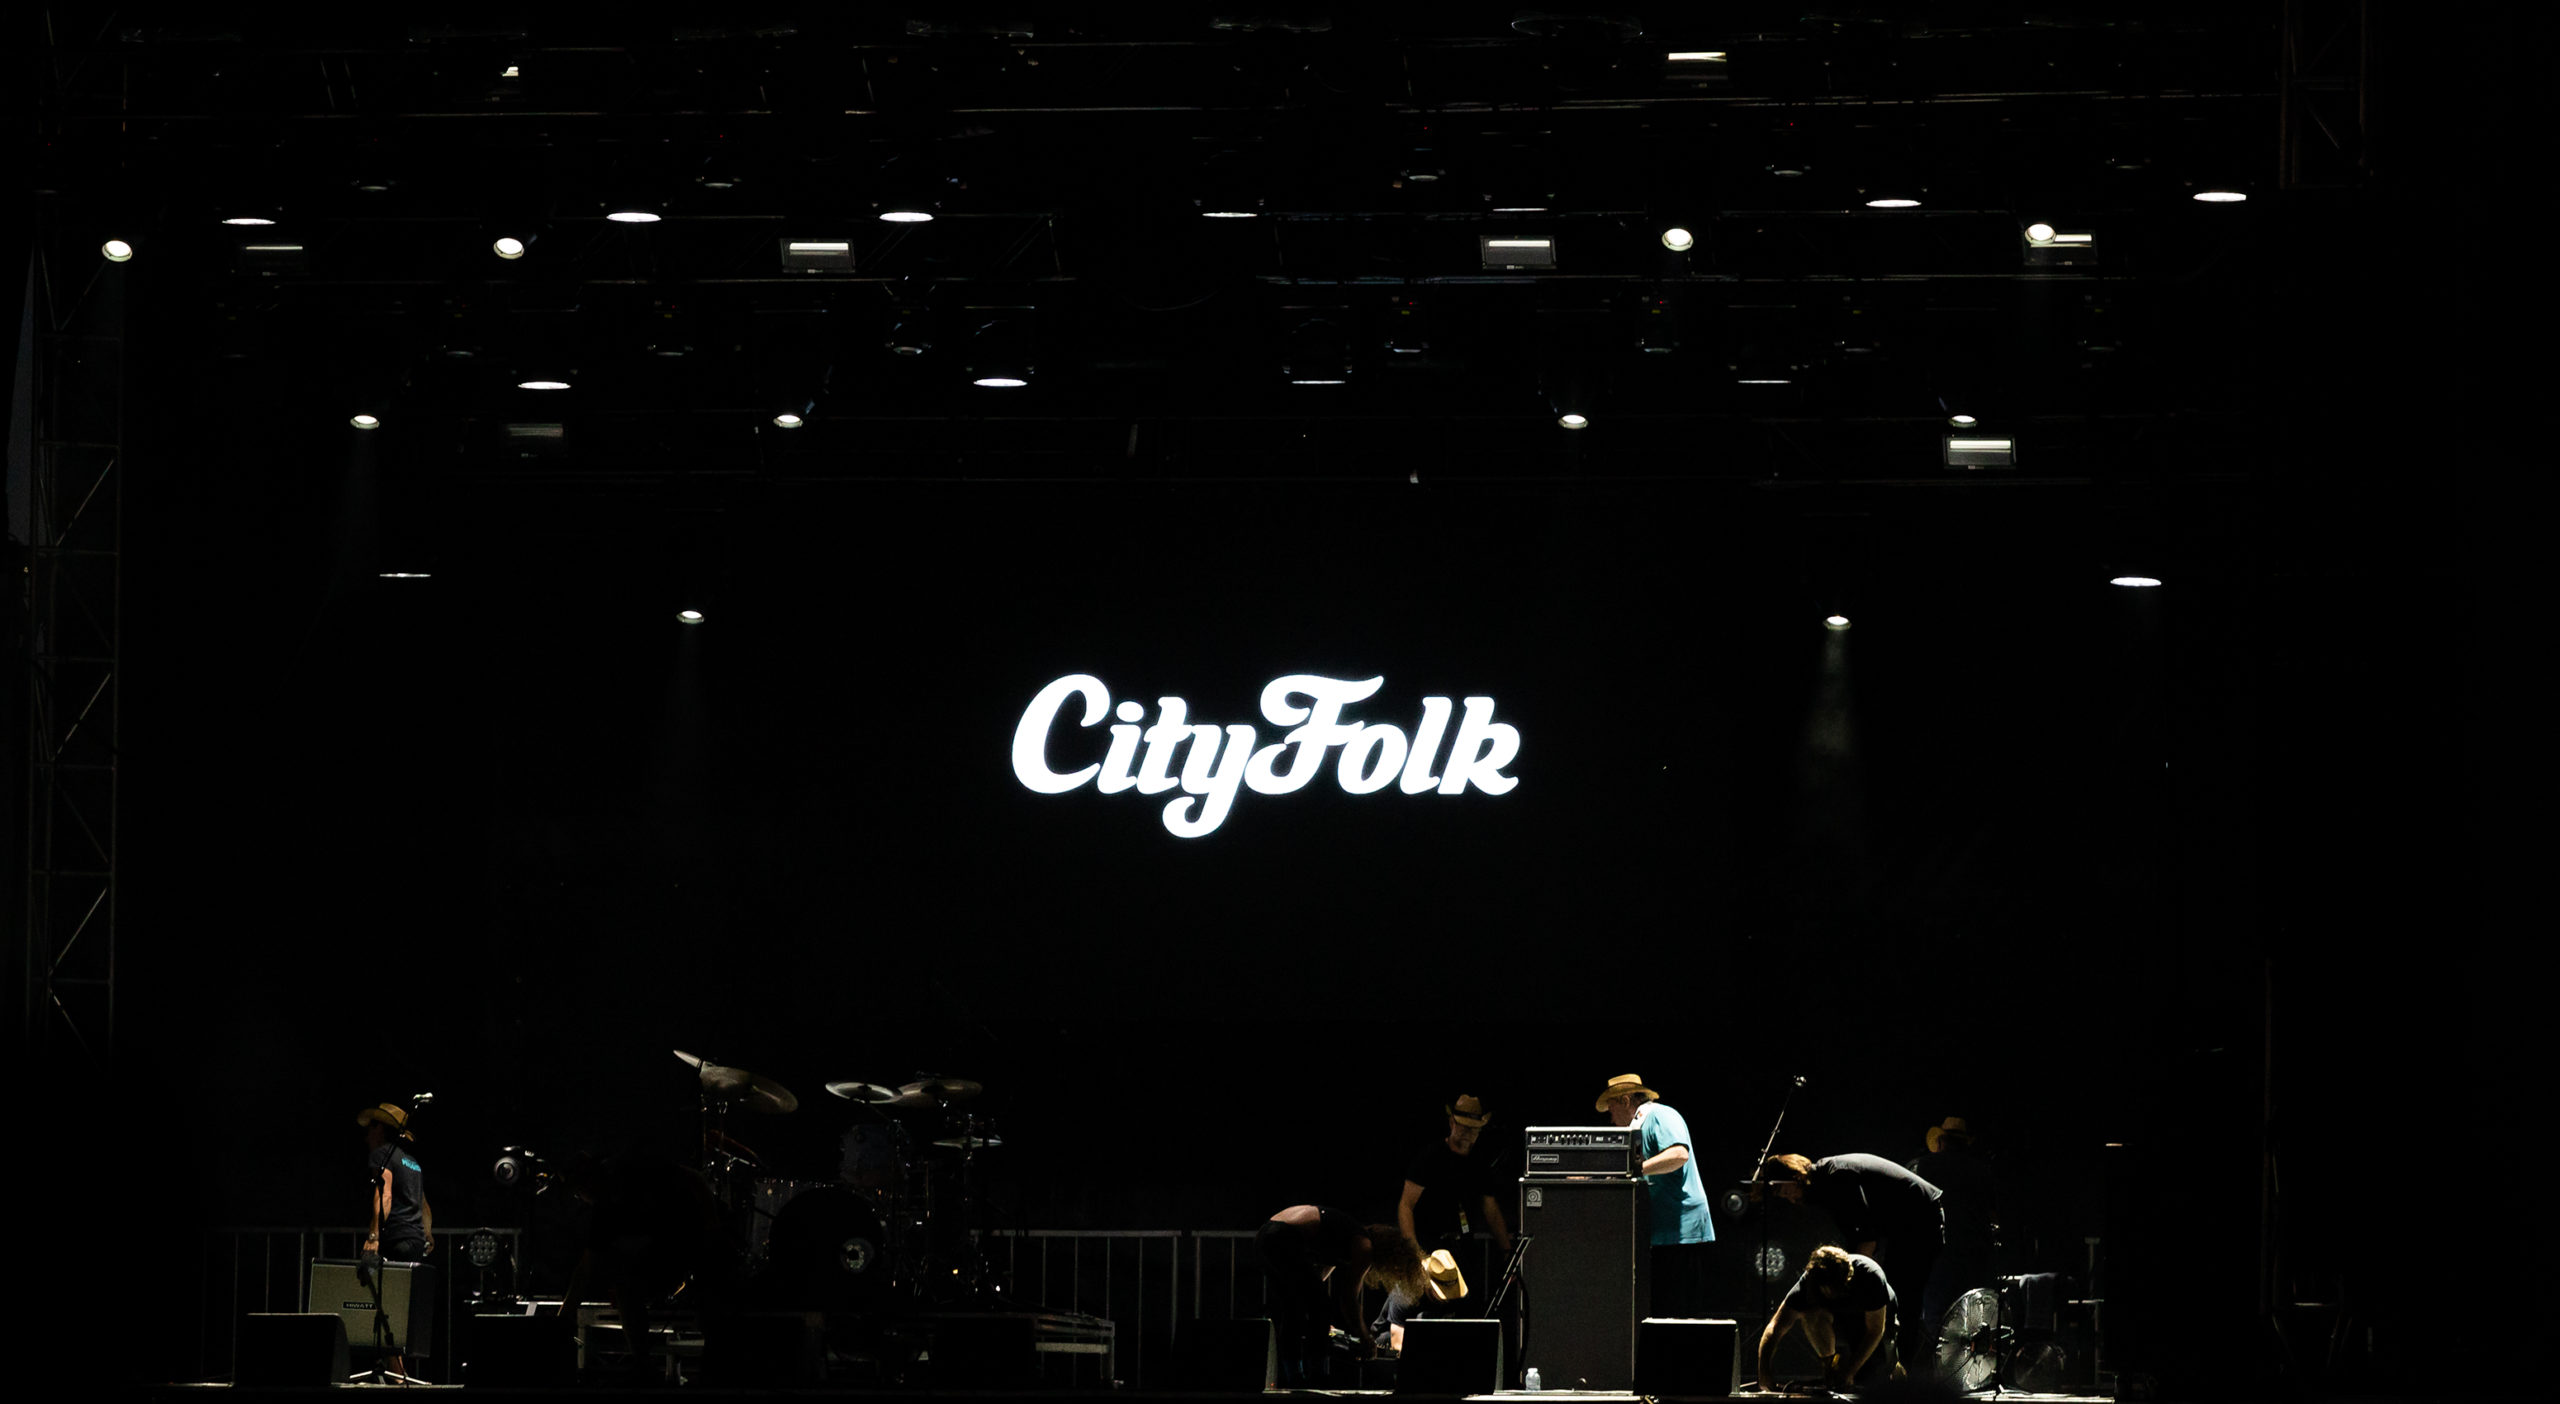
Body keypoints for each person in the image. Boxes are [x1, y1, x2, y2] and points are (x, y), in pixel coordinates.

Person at [1757, 1152, 1943, 1370]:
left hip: (1920, 1219)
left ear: (1795, 1176)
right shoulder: (1827, 1180)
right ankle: (1886, 1369)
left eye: (1782, 1191)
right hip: (1904, 1223)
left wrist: (1855, 1286)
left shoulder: (1837, 1177)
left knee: (1903, 1299)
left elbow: (1866, 1240)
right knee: (1887, 1296)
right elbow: (1858, 1235)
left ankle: (1905, 1376)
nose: (1788, 1198)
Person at [1380, 1093, 1516, 1350]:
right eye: (1463, 1126)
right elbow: (1405, 1205)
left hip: (1462, 1249)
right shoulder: (1430, 1157)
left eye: (1473, 1129)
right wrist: (1415, 1253)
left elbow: (1491, 1207)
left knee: (1464, 1312)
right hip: (1429, 1246)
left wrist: (1506, 1249)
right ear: (1452, 1123)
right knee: (1410, 1306)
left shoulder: (1479, 1162)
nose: (1467, 1133)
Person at [1259, 1205, 1429, 1385]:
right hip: (1280, 1237)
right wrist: (1365, 1337)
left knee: (1294, 1307)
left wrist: (1318, 1316)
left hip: (1266, 1236)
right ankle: (1317, 1375)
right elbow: (1348, 1298)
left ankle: (1294, 1375)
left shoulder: (1345, 1238)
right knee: (1319, 1306)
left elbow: (1319, 1279)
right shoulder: (1364, 1246)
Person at [1596, 1073, 1715, 1317]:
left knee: (1678, 1312)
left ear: (1626, 1100)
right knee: (1660, 1310)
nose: (1610, 1118)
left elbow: (1679, 1155)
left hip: (1682, 1232)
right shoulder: (1638, 1127)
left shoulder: (1661, 1115)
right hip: (1661, 1233)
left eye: (1611, 1108)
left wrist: (1631, 1169)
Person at [1753, 1245, 1901, 1392]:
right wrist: (1764, 1370)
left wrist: (1850, 1371)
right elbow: (1775, 1327)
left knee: (1880, 1376)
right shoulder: (1809, 1282)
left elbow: (1875, 1330)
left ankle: (1895, 1372)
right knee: (1811, 1315)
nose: (1833, 1294)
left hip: (1879, 1321)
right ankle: (1831, 1370)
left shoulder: (1870, 1276)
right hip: (1842, 1320)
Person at [1905, 1118, 1996, 1349]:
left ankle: (1936, 1371)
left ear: (1942, 1140)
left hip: (1937, 1251)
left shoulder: (1923, 1166)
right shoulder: (1982, 1171)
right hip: (1974, 1253)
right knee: (1972, 1314)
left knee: (1935, 1315)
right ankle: (1966, 1372)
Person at [358, 1103, 433, 1263]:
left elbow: (384, 1194)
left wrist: (373, 1237)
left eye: (370, 1128)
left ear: (379, 1129)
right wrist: (427, 1235)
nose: (366, 1136)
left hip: (396, 1239)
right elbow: (424, 1205)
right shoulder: (412, 1163)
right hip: (417, 1242)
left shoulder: (382, 1155)